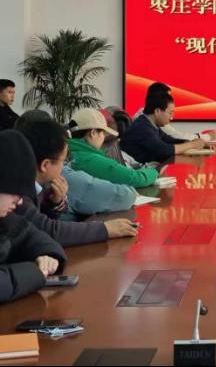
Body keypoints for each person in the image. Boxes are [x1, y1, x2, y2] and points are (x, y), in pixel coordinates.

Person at [14, 118, 138, 247]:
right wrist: (105, 229)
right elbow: (47, 230)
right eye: (63, 161)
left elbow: (37, 221)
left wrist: (54, 203)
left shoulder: (33, 184)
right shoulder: (16, 193)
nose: (64, 166)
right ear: (45, 165)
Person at [0, 130, 68, 303]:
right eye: (15, 192)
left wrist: (48, 255)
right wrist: (35, 272)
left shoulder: (4, 219)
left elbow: (29, 233)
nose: (19, 201)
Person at [67, 108, 158, 188]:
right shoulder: (91, 160)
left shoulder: (67, 153)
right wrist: (155, 171)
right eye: (103, 133)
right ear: (93, 133)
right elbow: (135, 178)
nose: (104, 138)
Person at [121, 92, 207, 164]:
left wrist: (191, 142)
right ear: (157, 111)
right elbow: (164, 150)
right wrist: (192, 145)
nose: (171, 118)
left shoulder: (150, 124)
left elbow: (168, 140)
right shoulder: (142, 127)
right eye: (170, 113)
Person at [134, 82, 216, 142]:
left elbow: (173, 138)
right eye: (167, 98)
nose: (171, 117)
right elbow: (176, 138)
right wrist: (207, 137)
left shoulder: (147, 117)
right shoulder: (146, 121)